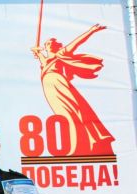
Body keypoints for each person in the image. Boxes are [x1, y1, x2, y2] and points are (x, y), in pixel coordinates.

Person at [30, 23, 114, 156]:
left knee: (73, 111)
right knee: (62, 113)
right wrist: (36, 51)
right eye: (48, 43)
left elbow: (77, 42)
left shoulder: (61, 53)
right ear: (45, 47)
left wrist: (91, 31)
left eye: (52, 42)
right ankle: (76, 144)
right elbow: (38, 54)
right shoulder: (45, 60)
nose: (50, 43)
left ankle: (84, 142)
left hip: (59, 83)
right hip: (50, 88)